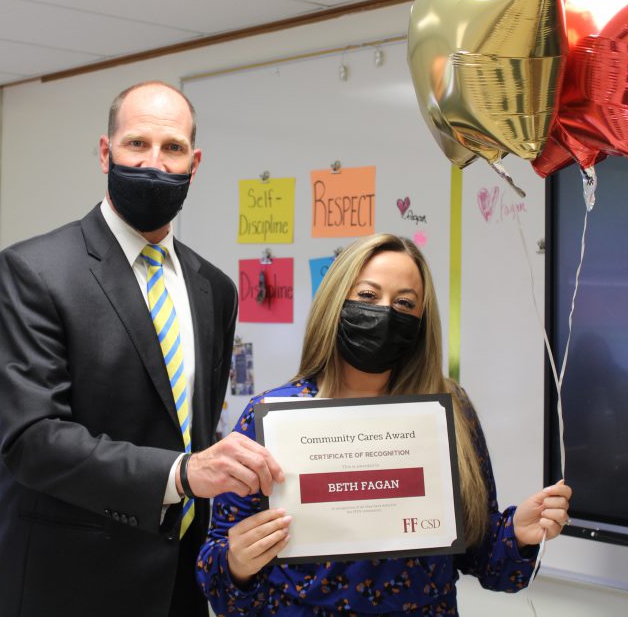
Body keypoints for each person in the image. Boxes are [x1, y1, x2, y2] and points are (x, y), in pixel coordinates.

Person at [0, 81, 283, 617]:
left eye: (172, 149)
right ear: (105, 152)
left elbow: (189, 428)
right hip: (62, 588)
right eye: (136, 144)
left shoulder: (215, 289)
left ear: (195, 161)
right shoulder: (33, 272)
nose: (154, 165)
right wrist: (181, 474)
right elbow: (32, 440)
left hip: (177, 589)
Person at [197, 233, 572, 615]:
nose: (385, 312)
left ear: (421, 322)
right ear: (334, 302)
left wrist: (518, 536)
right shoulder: (270, 418)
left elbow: (480, 556)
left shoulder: (448, 412)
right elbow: (222, 585)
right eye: (367, 296)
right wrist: (237, 564)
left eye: (405, 303)